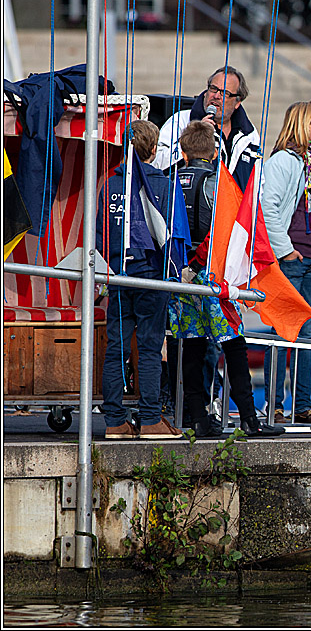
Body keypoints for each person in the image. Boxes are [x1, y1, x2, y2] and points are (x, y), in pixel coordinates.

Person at [169, 120, 283, 438]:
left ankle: (197, 418)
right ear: (214, 152)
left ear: (184, 152)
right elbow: (230, 231)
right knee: (234, 346)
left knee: (192, 346)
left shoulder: (171, 180)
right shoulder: (219, 184)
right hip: (213, 275)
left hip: (180, 277)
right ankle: (249, 418)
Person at [98, 120, 178, 439]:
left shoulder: (110, 184)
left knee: (116, 347)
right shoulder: (163, 184)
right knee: (149, 348)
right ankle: (150, 419)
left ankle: (115, 421)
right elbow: (173, 237)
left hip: (118, 274)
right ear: (153, 149)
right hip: (151, 276)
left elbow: (100, 233)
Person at [261, 101, 311, 424]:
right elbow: (268, 206)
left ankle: (303, 406)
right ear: (305, 124)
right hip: (292, 260)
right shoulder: (282, 161)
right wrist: (285, 251)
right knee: (283, 331)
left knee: (306, 333)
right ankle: (274, 405)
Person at [154, 65, 261, 192]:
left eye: (225, 93)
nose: (216, 96)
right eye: (213, 89)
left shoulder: (249, 134)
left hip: (233, 204)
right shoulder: (181, 120)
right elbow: (157, 163)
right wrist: (193, 136)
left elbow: (259, 184)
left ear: (237, 102)